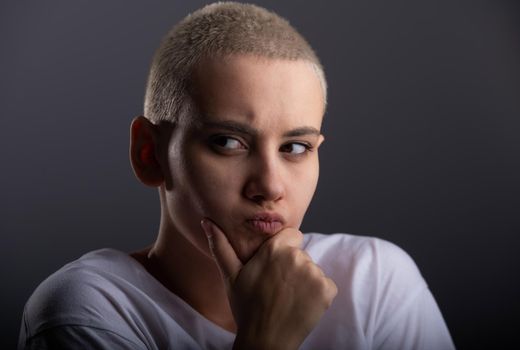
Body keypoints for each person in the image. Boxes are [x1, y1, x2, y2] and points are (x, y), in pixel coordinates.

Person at [18, 2, 455, 349]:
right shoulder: (89, 311)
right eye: (227, 142)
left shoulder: (374, 283)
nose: (269, 186)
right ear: (149, 153)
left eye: (295, 148)